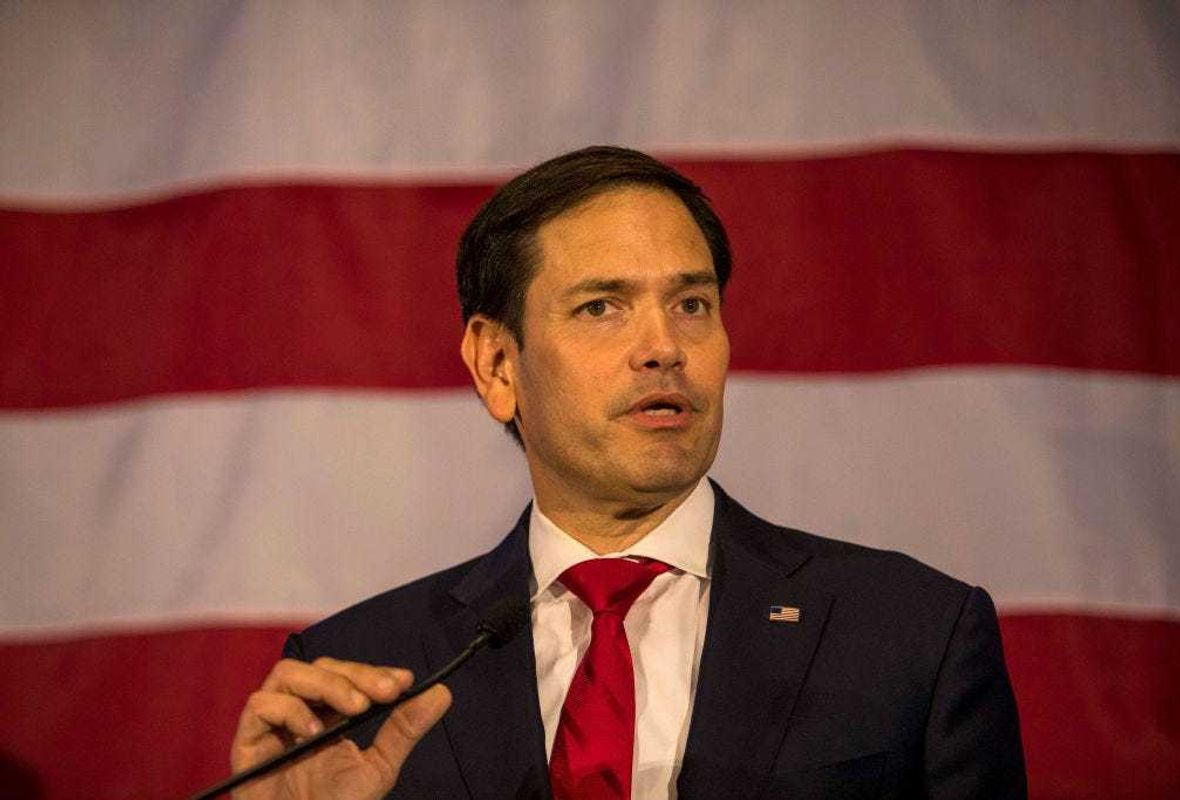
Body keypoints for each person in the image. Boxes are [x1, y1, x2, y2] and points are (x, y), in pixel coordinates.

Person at [229, 146, 1026, 799]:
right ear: (497, 364)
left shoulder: (913, 636)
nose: (663, 348)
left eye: (691, 305)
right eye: (600, 307)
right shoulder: (357, 682)